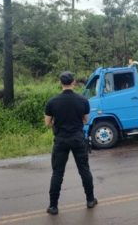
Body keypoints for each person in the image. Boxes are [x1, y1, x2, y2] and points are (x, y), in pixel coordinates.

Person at [44, 71, 97, 215]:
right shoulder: (83, 100)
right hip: (78, 139)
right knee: (84, 170)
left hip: (61, 140)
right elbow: (86, 120)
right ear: (73, 82)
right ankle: (90, 200)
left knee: (57, 173)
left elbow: (47, 123)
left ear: (60, 83)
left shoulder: (52, 102)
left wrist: (58, 121)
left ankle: (53, 206)